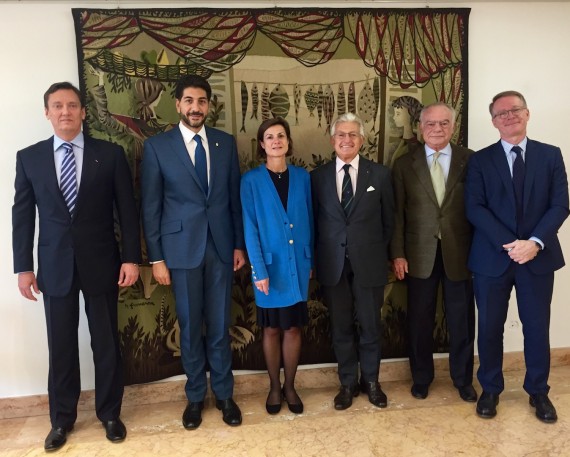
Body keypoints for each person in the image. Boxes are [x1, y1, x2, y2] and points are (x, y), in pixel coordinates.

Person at [12, 82, 141, 451]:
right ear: (47, 113)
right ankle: (61, 420)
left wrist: (131, 258)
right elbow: (22, 216)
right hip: (53, 267)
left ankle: (111, 415)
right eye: (57, 106)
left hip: (103, 264)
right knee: (62, 347)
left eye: (72, 105)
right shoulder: (29, 157)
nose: (65, 111)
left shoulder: (111, 154)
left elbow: (127, 213)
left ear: (83, 112)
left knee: (105, 343)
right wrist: (24, 267)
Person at [141, 74, 246, 430]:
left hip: (219, 248)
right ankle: (195, 397)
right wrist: (156, 258)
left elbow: (233, 199)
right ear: (178, 104)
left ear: (208, 105)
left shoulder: (225, 143)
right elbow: (150, 206)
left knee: (219, 325)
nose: (196, 107)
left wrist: (237, 245)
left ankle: (225, 394)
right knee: (189, 328)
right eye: (189, 101)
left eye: (202, 101)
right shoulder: (157, 147)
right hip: (180, 251)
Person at [465, 90, 569, 423]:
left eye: (515, 110)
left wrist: (535, 242)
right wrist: (512, 243)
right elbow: (474, 208)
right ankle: (490, 389)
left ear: (527, 113)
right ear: (493, 121)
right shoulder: (480, 160)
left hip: (537, 258)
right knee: (491, 327)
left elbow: (560, 204)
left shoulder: (551, 155)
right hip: (492, 259)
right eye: (501, 113)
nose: (509, 116)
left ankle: (538, 391)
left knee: (537, 328)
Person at [390, 102, 477, 402]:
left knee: (461, 319)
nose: (437, 129)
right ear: (420, 127)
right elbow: (397, 215)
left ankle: (463, 379)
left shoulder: (471, 160)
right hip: (418, 254)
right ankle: (422, 378)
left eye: (443, 123)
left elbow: (480, 209)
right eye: (430, 124)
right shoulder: (404, 164)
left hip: (461, 252)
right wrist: (398, 253)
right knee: (420, 319)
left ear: (453, 126)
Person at [311, 112, 394, 410]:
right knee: (341, 326)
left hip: (369, 263)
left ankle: (371, 381)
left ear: (362, 139)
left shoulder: (380, 175)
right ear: (333, 140)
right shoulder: (317, 177)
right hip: (332, 265)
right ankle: (347, 383)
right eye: (341, 135)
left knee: (371, 325)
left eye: (353, 135)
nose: (347, 140)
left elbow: (389, 223)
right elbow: (314, 223)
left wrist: (381, 253)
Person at [240, 117, 313, 415]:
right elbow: (250, 227)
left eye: (281, 135)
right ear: (261, 144)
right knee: (271, 330)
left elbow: (310, 218)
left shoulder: (302, 177)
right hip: (269, 269)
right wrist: (258, 269)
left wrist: (310, 259)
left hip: (298, 265)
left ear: (288, 141)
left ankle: (291, 386)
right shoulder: (251, 181)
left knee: (294, 327)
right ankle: (273, 386)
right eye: (269, 137)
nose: (276, 141)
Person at [389, 95, 423, 168]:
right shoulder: (401, 142)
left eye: (398, 114)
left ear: (411, 114)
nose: (394, 117)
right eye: (395, 113)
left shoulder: (414, 147)